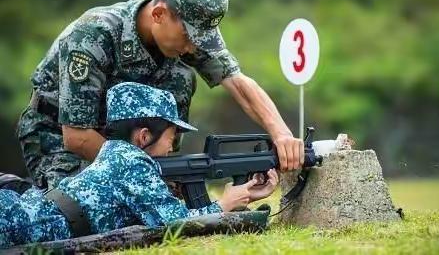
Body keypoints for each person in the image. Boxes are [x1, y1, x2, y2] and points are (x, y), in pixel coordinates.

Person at [15, 0, 302, 191]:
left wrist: (281, 134)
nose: (193, 47)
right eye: (189, 36)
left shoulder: (185, 36)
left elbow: (237, 82)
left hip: (129, 145)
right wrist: (142, 174)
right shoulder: (93, 36)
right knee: (84, 208)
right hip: (59, 135)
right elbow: (76, 137)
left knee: (180, 75)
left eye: (200, 38)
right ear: (159, 15)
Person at [0, 82, 279, 248]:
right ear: (144, 136)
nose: (172, 147)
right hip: (18, 223)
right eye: (171, 136)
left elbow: (166, 212)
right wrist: (225, 204)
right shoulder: (131, 162)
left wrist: (242, 194)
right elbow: (174, 224)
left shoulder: (114, 153)